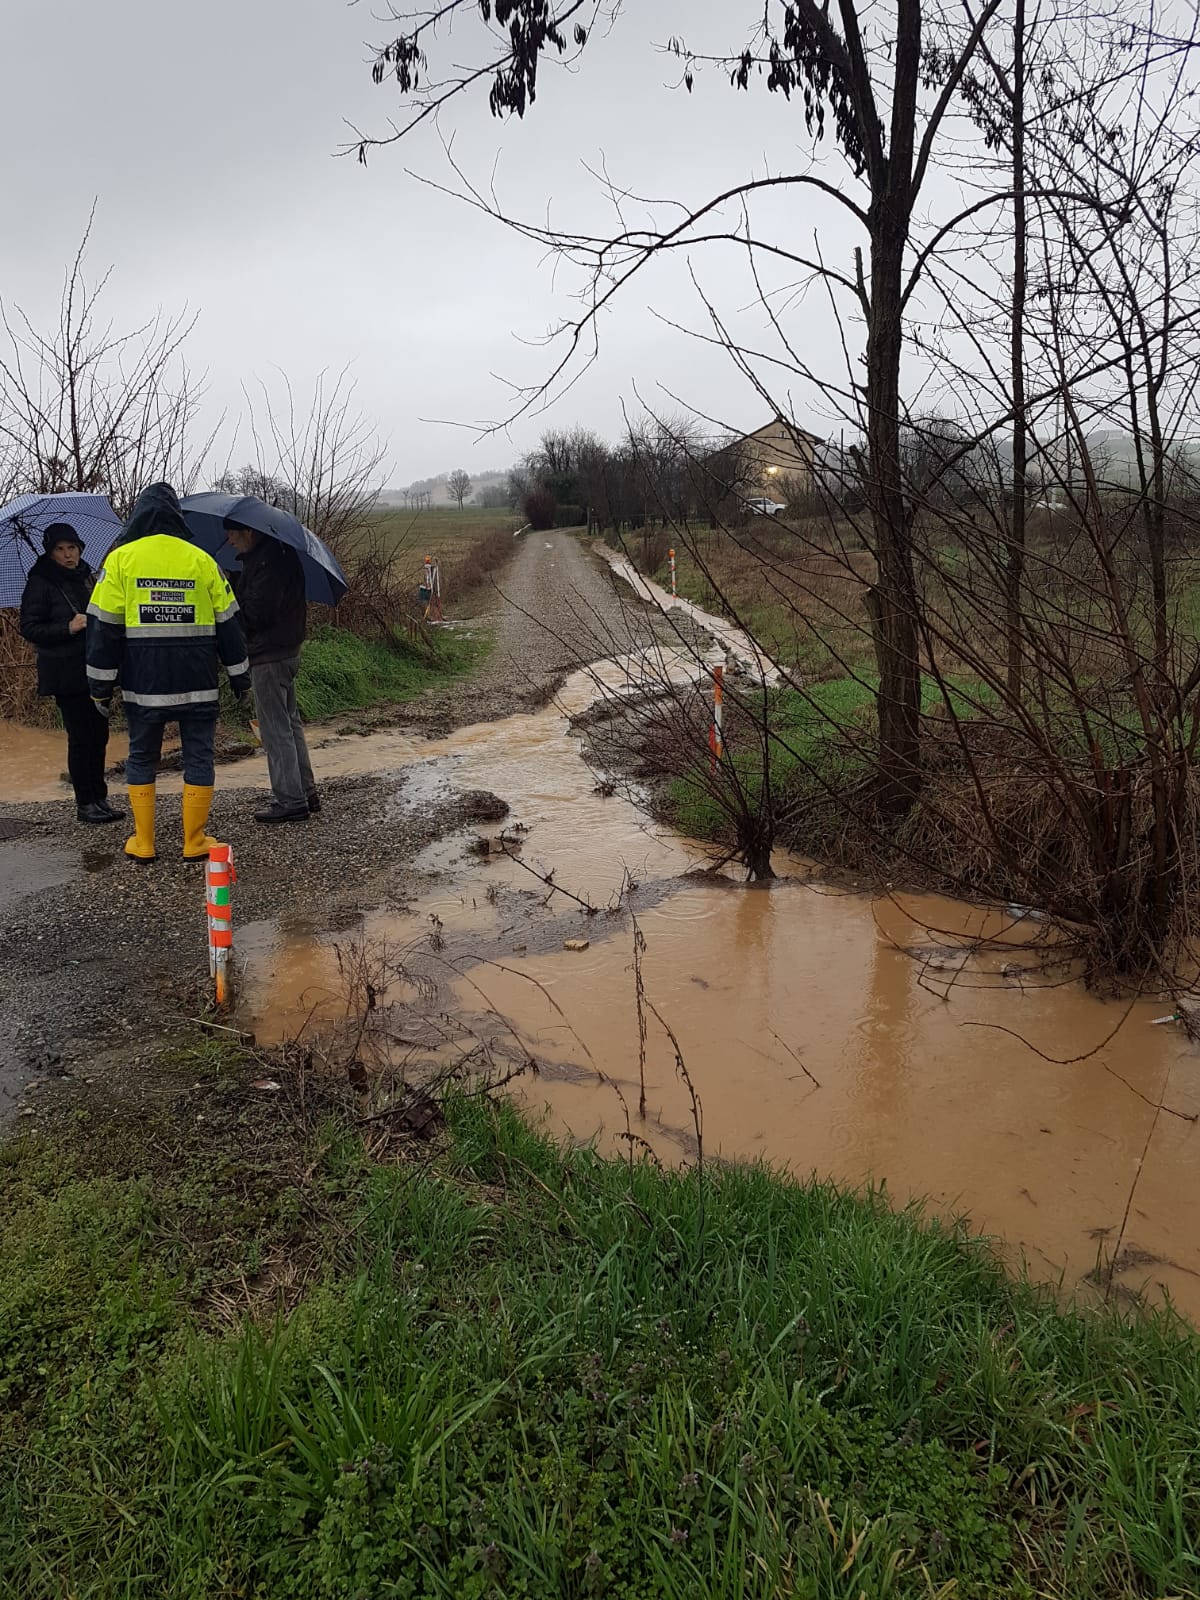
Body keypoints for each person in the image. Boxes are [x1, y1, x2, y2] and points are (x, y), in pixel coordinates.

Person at [86, 482, 251, 862]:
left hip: (145, 685)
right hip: (198, 684)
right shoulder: (202, 560)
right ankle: (193, 841)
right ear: (178, 518)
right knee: (199, 756)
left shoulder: (121, 560)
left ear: (139, 516)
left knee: (142, 756)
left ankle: (144, 842)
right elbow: (230, 625)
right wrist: (241, 679)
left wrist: (100, 687)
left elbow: (103, 629)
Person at [18, 522, 121, 825]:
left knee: (99, 734)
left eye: (72, 548)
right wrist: (68, 627)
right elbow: (29, 627)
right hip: (64, 671)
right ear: (50, 553)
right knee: (80, 737)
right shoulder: (40, 582)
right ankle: (85, 802)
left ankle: (100, 796)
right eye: (60, 550)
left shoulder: (89, 577)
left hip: (95, 668)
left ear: (80, 549)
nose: (67, 555)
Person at [225, 523, 318, 824]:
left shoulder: (265, 565)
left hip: (268, 655)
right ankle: (305, 791)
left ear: (249, 533)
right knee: (290, 725)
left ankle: (290, 800)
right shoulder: (282, 555)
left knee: (275, 729)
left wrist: (231, 601)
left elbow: (255, 615)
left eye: (233, 534)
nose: (230, 540)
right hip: (288, 651)